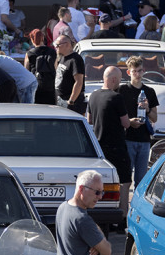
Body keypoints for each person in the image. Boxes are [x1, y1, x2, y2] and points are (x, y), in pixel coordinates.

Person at [88, 67, 132, 220]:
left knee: (102, 182)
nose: (120, 83)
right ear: (113, 79)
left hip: (99, 146)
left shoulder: (93, 96)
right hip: (116, 146)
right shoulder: (116, 97)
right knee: (124, 182)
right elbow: (126, 123)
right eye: (119, 80)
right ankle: (122, 218)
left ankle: (100, 212)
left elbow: (89, 120)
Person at [118, 56, 159, 188]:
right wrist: (129, 122)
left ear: (144, 71)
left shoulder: (149, 91)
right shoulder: (122, 90)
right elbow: (115, 115)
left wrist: (147, 109)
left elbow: (154, 118)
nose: (137, 74)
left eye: (140, 71)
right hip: (127, 138)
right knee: (125, 178)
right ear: (129, 72)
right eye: (134, 71)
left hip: (144, 139)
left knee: (141, 181)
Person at [54, 35, 86, 115]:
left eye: (58, 45)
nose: (56, 47)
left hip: (71, 103)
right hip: (61, 100)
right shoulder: (62, 58)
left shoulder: (75, 59)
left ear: (67, 44)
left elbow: (79, 82)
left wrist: (71, 101)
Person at [25, 28, 55, 105]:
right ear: (43, 38)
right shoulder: (52, 52)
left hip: (36, 86)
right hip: (50, 86)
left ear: (32, 39)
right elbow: (56, 68)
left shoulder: (29, 53)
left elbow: (26, 71)